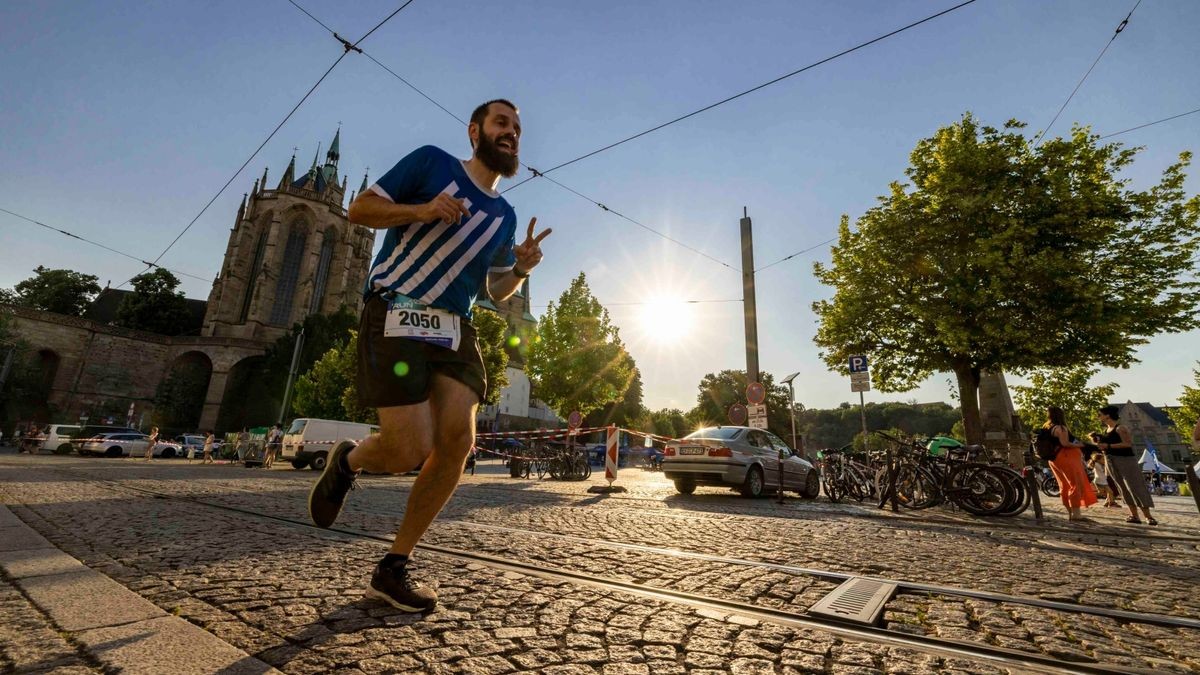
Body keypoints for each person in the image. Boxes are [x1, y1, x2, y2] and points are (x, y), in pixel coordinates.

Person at [308, 99, 550, 613]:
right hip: (396, 309)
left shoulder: (503, 217)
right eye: (502, 123)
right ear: (475, 131)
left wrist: (522, 270)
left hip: (454, 327)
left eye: (518, 128)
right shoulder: (430, 163)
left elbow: (495, 290)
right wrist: (423, 209)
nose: (512, 133)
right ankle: (348, 461)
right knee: (408, 449)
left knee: (458, 441)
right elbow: (359, 210)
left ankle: (393, 567)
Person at [1091, 405, 1157, 526]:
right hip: (1111, 461)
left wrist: (1108, 446)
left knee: (1135, 486)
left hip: (1125, 460)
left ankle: (1148, 516)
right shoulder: (1106, 430)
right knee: (1122, 488)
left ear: (1107, 415)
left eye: (1100, 414)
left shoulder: (1120, 428)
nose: (1098, 417)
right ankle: (1134, 515)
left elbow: (1127, 444)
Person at [1043, 406, 1096, 521]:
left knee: (1064, 486)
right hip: (1067, 457)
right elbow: (1065, 443)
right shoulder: (1061, 428)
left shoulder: (1047, 426)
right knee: (1075, 484)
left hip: (1055, 459)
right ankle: (1076, 515)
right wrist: (1081, 445)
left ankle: (1071, 513)